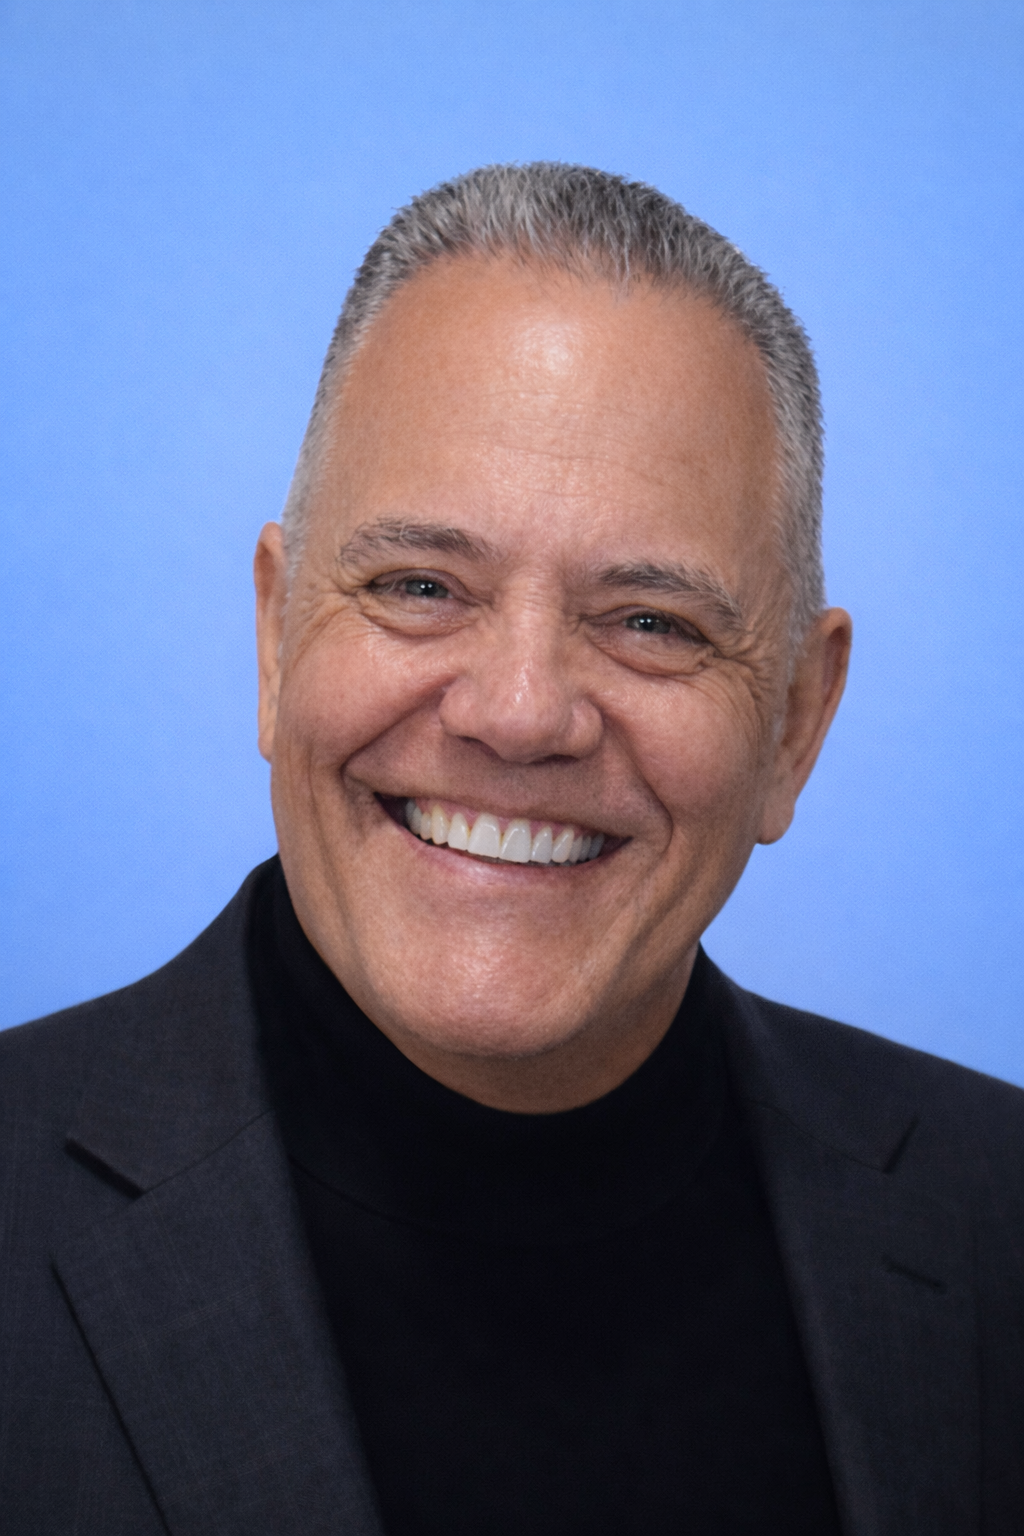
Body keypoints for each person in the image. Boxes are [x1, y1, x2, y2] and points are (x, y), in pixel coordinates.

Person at [1, 164, 1020, 1536]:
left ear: (794, 723)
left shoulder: (997, 1219)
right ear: (273, 631)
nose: (522, 712)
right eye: (420, 588)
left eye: (652, 621)